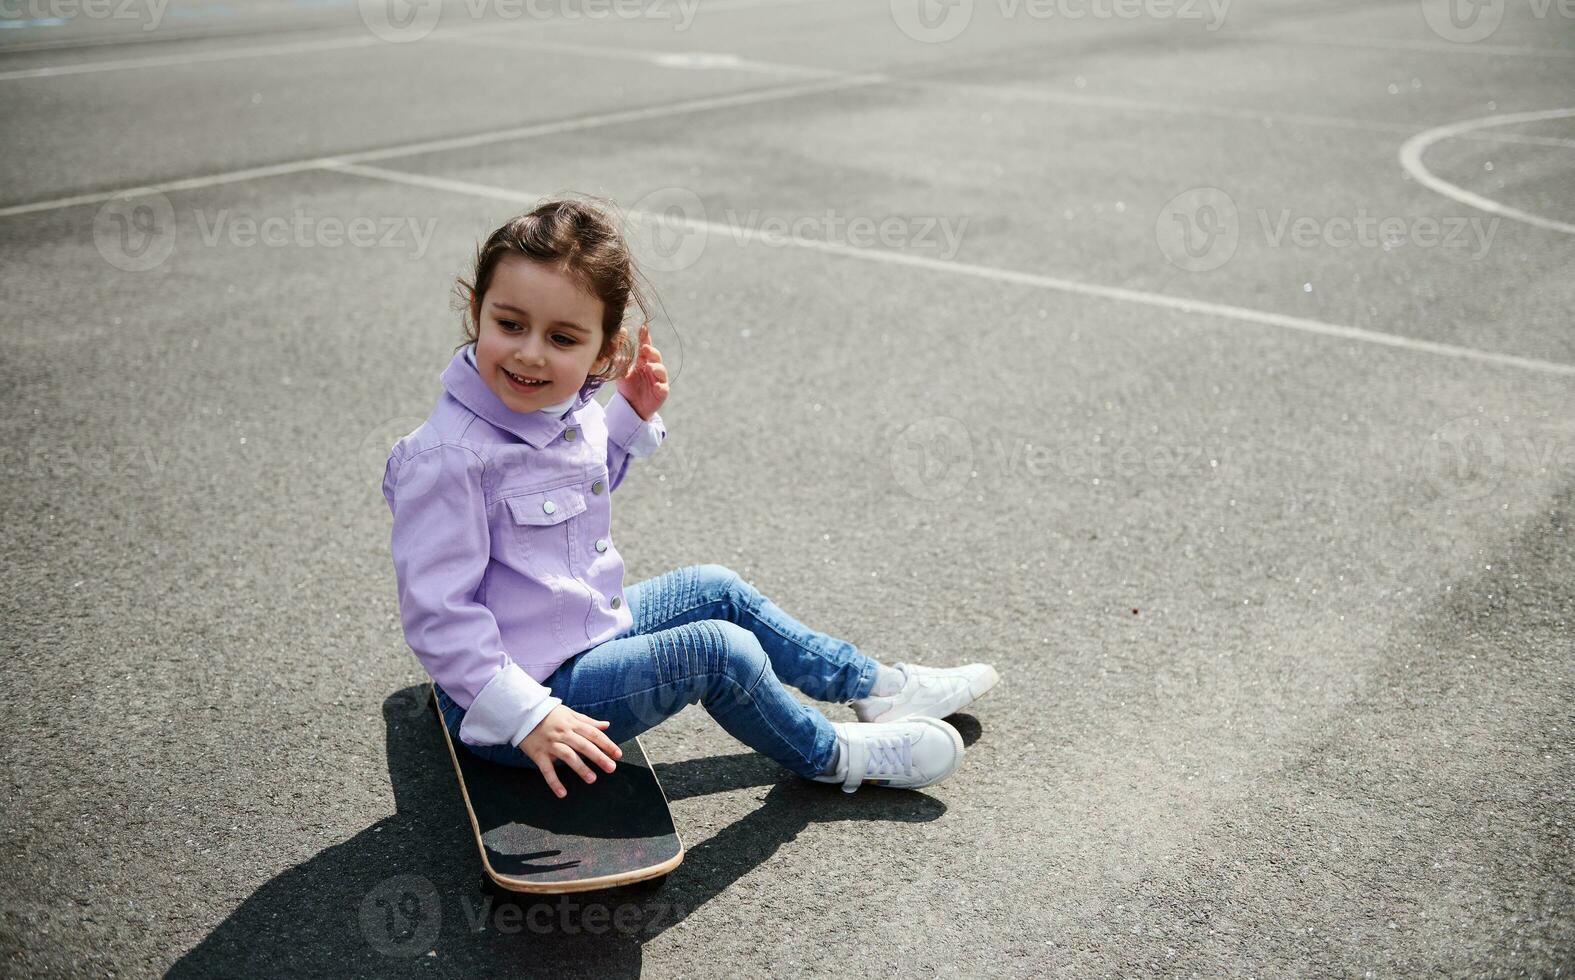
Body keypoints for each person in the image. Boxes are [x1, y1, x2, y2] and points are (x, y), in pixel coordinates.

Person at [381, 197, 1000, 797]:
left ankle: (878, 688)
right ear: (476, 308)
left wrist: (627, 414)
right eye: (509, 323)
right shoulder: (448, 458)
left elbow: (578, 491)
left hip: (584, 636)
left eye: (563, 338)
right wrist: (528, 716)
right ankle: (836, 756)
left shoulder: (559, 410)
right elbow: (438, 615)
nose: (530, 352)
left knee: (717, 588)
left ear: (605, 349)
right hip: (520, 708)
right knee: (715, 653)